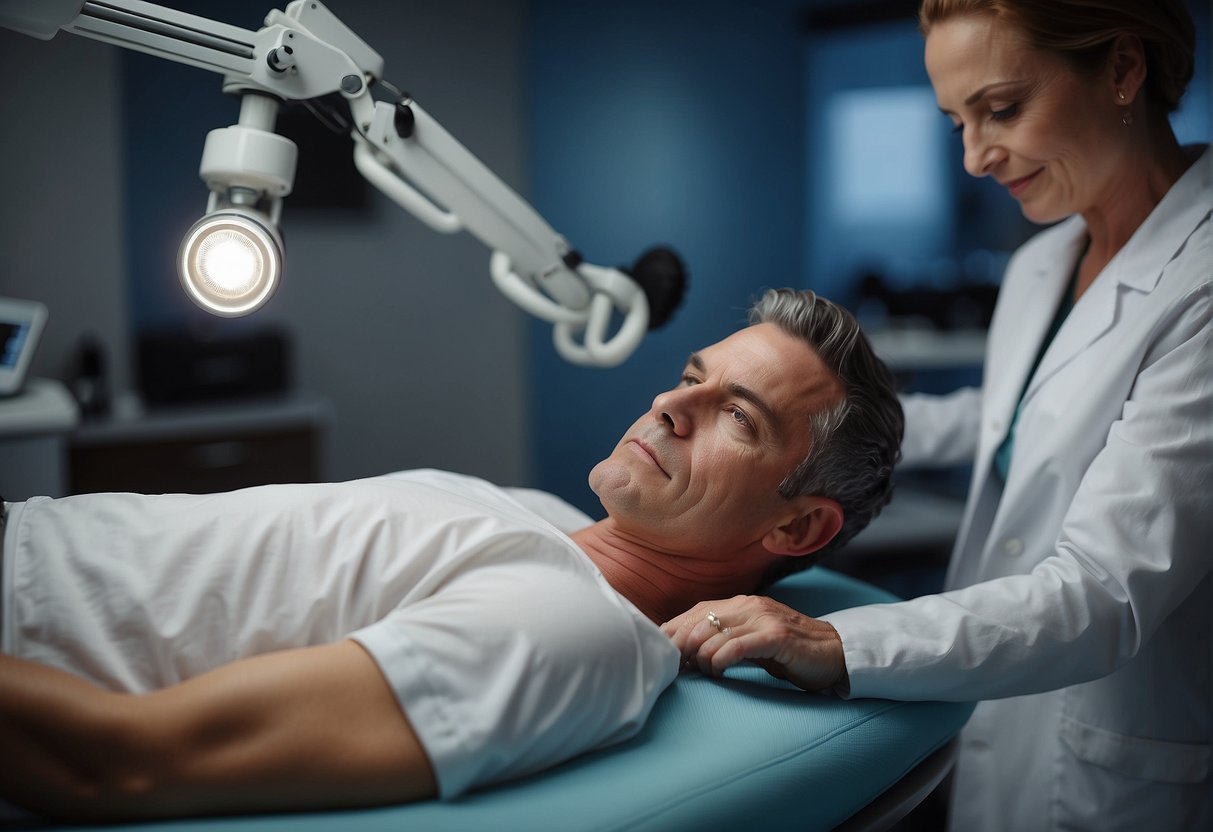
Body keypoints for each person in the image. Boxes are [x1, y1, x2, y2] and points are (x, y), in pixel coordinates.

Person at [0, 287, 903, 823]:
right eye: (693, 376)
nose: (672, 404)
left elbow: (119, 761)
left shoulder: (572, 629)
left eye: (737, 418)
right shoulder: (538, 515)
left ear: (795, 532)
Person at [664, 1, 1211, 829]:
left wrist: (835, 643)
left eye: (1000, 109)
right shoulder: (1041, 262)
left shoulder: (1200, 284)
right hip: (999, 716)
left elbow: (1104, 591)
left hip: (1118, 749)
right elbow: (1012, 416)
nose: (974, 157)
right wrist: (789, 427)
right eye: (956, 121)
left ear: (1123, 70)